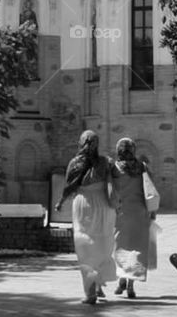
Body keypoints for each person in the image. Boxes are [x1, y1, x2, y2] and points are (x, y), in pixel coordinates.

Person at [55, 130, 116, 305]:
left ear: (80, 143)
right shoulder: (105, 162)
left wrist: (60, 202)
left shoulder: (75, 163)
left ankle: (90, 292)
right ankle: (98, 285)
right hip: (104, 205)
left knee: (85, 247)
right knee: (102, 244)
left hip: (85, 204)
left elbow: (69, 187)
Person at [110, 138, 158, 298]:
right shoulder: (142, 167)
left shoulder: (115, 168)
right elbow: (150, 189)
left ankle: (122, 280)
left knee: (121, 247)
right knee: (136, 249)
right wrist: (152, 211)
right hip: (140, 213)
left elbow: (110, 190)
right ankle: (130, 285)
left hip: (121, 213)